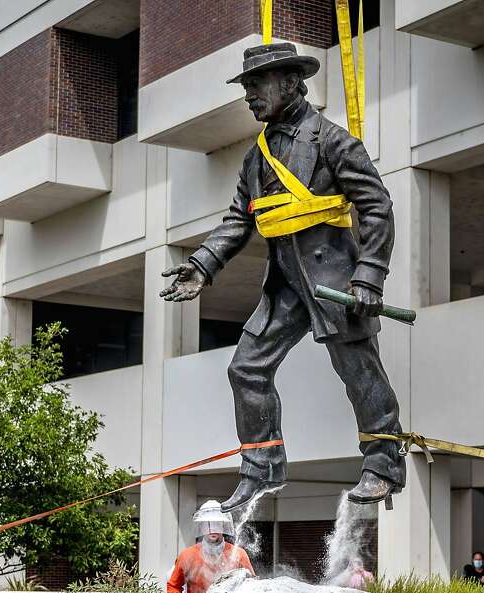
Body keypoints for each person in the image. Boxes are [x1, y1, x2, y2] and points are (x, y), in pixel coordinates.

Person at [160, 41, 404, 514]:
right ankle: (262, 469)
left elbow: (377, 206)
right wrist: (202, 264)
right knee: (246, 369)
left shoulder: (334, 141)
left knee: (358, 372)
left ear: (290, 82)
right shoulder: (257, 156)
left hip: (337, 279)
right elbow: (238, 218)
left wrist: (369, 277)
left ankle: (383, 465)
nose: (249, 96)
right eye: (246, 87)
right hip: (285, 284)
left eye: (256, 85)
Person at [167, 501, 254, 593]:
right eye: (208, 524)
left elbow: (251, 584)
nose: (212, 529)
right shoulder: (187, 555)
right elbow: (174, 585)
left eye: (217, 524)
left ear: (223, 525)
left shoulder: (238, 554)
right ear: (201, 526)